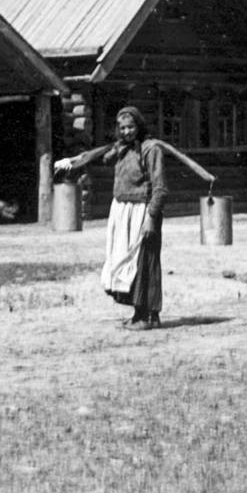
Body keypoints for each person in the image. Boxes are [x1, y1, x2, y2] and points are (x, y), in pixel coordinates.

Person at [54, 106, 167, 331]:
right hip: (122, 210)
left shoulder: (151, 149)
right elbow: (99, 156)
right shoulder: (121, 149)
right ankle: (138, 313)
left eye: (131, 127)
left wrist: (151, 218)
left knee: (144, 261)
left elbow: (160, 188)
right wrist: (74, 161)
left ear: (140, 126)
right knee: (125, 262)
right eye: (122, 128)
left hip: (142, 211)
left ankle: (150, 317)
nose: (126, 132)